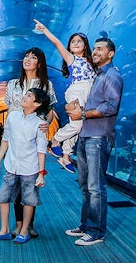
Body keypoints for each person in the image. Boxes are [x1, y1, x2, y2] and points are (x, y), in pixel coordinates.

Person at [64, 36, 123, 247]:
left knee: (96, 186)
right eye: (94, 49)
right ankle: (86, 225)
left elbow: (111, 107)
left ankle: (97, 231)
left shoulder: (112, 76)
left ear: (111, 53)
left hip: (98, 136)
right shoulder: (96, 75)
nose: (95, 52)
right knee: (85, 185)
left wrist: (83, 115)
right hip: (86, 135)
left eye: (100, 49)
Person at [0, 87, 51, 245]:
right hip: (11, 165)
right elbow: (5, 139)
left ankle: (24, 231)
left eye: (29, 96)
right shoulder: (12, 116)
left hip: (30, 168)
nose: (24, 97)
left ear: (37, 103)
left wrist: (41, 173)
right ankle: (4, 230)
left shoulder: (39, 124)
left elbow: (41, 150)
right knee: (3, 198)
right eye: (25, 94)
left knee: (29, 200)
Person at [3, 47, 58, 238]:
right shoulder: (12, 84)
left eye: (33, 57)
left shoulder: (46, 85)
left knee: (31, 183)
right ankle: (19, 225)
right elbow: (10, 108)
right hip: (16, 137)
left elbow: (49, 111)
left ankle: (28, 225)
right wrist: (7, 134)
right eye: (26, 56)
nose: (27, 59)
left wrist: (46, 124)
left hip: (33, 139)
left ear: (39, 63)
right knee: (14, 183)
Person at [33, 20, 96, 174]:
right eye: (72, 41)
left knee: (78, 127)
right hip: (77, 91)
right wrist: (45, 29)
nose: (75, 43)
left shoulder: (91, 61)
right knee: (77, 125)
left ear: (85, 45)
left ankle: (66, 155)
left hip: (88, 93)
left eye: (79, 41)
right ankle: (55, 140)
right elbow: (56, 43)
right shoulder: (71, 58)